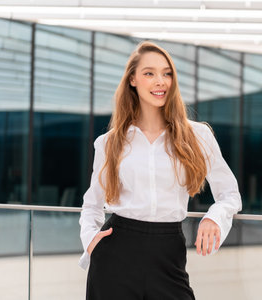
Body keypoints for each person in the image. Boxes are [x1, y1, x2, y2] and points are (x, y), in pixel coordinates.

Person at [78, 41, 242, 300]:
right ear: (132, 79)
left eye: (167, 73)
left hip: (169, 254)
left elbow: (230, 194)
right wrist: (90, 240)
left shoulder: (197, 136)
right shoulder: (110, 142)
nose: (160, 81)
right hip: (115, 253)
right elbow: (92, 204)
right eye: (149, 73)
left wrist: (214, 217)